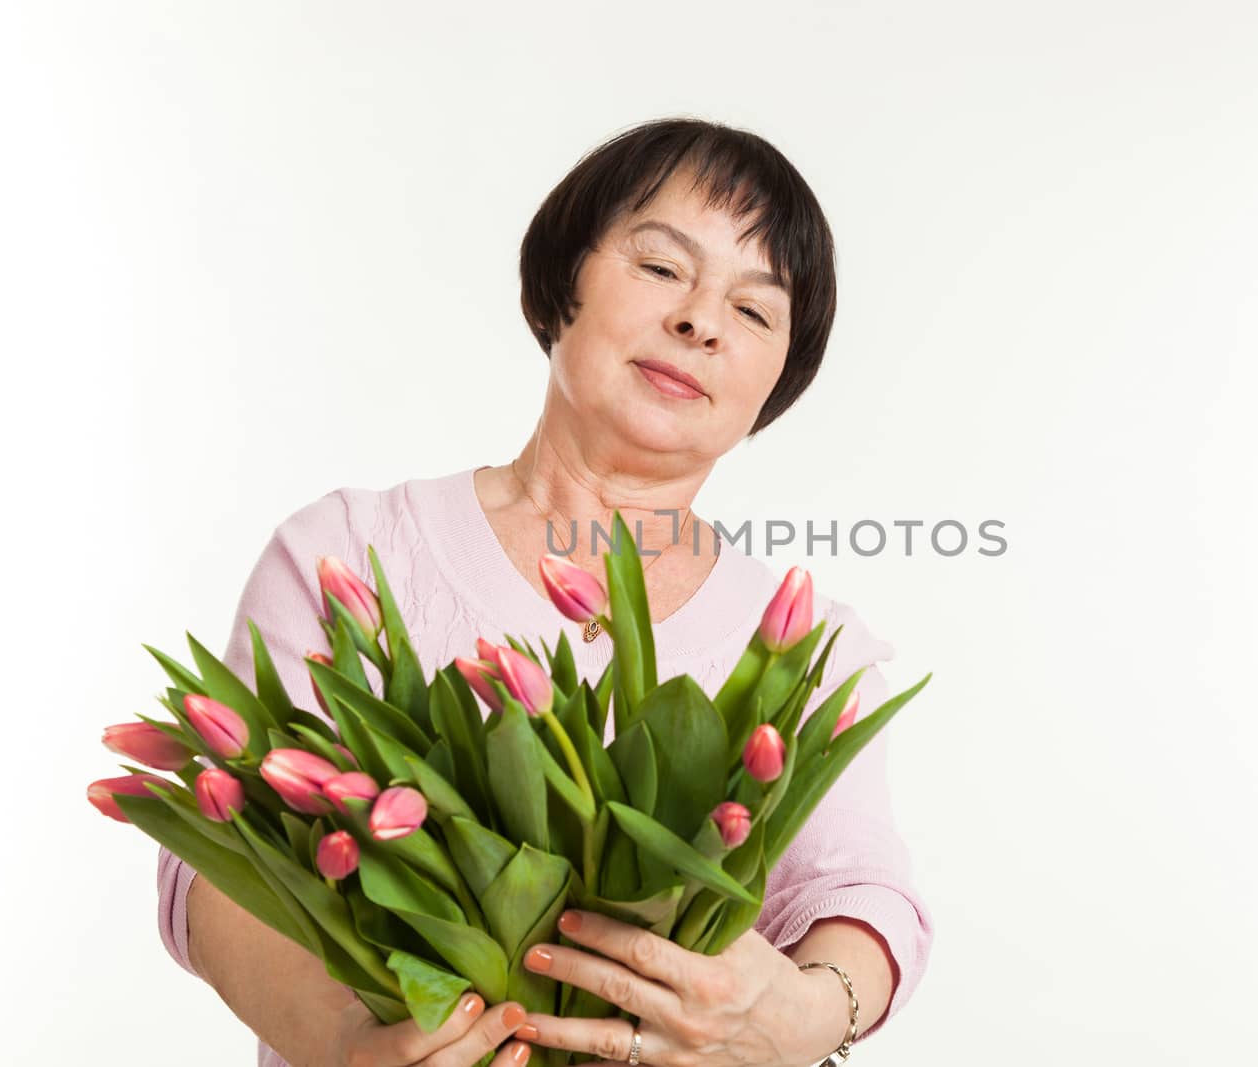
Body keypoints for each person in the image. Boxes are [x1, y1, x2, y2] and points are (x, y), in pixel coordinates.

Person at [157, 117, 933, 1067]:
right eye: (660, 268)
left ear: (779, 377)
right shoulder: (350, 553)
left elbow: (860, 893)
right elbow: (220, 857)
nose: (700, 321)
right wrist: (349, 1045)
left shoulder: (802, 646)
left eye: (756, 310)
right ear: (564, 277)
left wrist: (810, 1015)